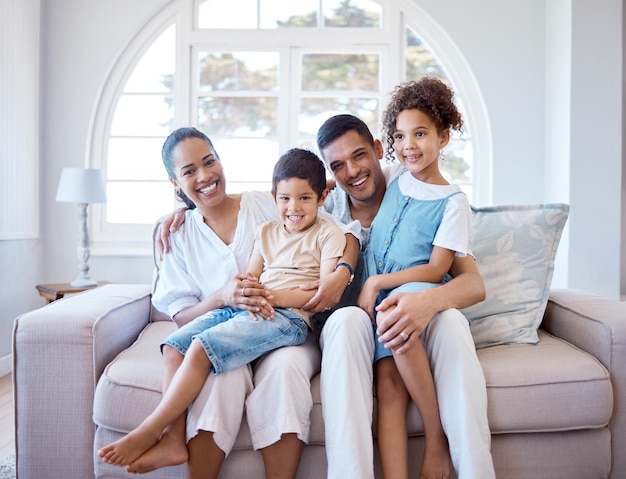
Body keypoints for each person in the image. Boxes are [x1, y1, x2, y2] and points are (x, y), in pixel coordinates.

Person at [160, 111, 495, 478]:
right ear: (329, 179)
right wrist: (183, 209)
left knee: (450, 322)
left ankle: (470, 466)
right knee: (347, 319)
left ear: (380, 150)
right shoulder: (321, 208)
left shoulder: (410, 189)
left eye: (360, 156)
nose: (352, 171)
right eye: (338, 166)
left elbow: (471, 283)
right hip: (351, 325)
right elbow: (271, 199)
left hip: (412, 310)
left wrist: (425, 300)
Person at [102, 128, 355, 479]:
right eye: (189, 171)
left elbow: (346, 230)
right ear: (175, 183)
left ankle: (151, 429)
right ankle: (172, 438)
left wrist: (340, 273)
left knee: (280, 370)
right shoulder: (180, 233)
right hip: (236, 317)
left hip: (283, 319)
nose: (205, 176)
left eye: (209, 162)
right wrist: (224, 295)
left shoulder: (268, 205)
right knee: (194, 357)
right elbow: (181, 316)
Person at [354, 77, 471, 479]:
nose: (410, 145)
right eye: (401, 135)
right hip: (383, 301)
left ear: (443, 137)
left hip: (417, 291)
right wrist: (184, 211)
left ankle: (437, 437)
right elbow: (330, 185)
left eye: (420, 134)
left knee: (393, 315)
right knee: (387, 386)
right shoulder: (394, 176)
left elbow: (439, 269)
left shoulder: (453, 201)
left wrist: (377, 282)